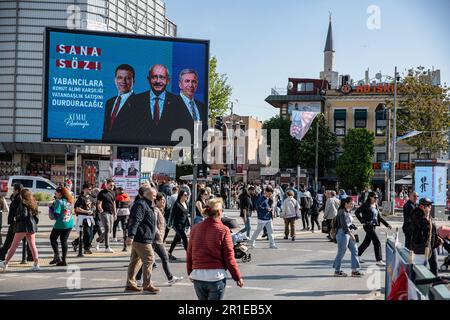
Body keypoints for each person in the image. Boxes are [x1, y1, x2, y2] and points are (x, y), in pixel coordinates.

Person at [187, 198, 244, 300]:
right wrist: (237, 276)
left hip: (198, 275)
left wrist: (190, 272)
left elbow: (190, 254)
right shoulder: (224, 230)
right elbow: (229, 257)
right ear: (219, 212)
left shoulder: (195, 228)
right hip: (216, 276)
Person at [132, 64, 180, 145]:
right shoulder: (136, 101)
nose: (158, 81)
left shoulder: (178, 102)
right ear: (148, 79)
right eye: (154, 77)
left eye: (162, 77)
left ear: (168, 80)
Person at [125, 186, 159, 293]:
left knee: (135, 261)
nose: (155, 198)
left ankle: (130, 284)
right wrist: (131, 235)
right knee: (149, 259)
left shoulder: (147, 205)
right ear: (146, 194)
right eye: (153, 195)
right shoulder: (141, 204)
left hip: (142, 237)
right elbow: (135, 220)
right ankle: (147, 284)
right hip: (141, 238)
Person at [0, 189, 40, 272]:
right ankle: (36, 264)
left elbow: (24, 215)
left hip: (22, 227)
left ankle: (5, 262)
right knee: (33, 246)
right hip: (32, 226)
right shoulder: (33, 202)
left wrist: (15, 218)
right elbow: (36, 214)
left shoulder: (23, 203)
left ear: (23, 195)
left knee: (14, 246)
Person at [150, 192, 183, 285]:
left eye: (164, 200)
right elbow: (154, 224)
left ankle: (139, 277)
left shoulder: (160, 210)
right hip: (156, 240)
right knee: (164, 258)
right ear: (156, 201)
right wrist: (158, 235)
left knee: (149, 260)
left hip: (158, 240)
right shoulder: (155, 210)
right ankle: (170, 278)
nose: (164, 202)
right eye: (162, 200)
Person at [355, 191, 392, 266]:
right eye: (375, 197)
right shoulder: (365, 205)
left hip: (373, 226)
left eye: (377, 197)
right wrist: (362, 220)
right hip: (368, 226)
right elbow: (357, 212)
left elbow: (379, 217)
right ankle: (379, 260)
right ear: (370, 197)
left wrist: (387, 224)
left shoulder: (376, 205)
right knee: (377, 242)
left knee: (366, 243)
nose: (376, 199)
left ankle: (356, 256)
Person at [102, 64, 136, 142]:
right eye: (120, 77)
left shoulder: (139, 103)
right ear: (115, 80)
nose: (123, 81)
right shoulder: (109, 102)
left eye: (127, 78)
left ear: (133, 81)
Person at [410, 198, 442, 276]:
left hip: (431, 244)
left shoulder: (427, 214)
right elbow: (424, 225)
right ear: (422, 206)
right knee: (419, 267)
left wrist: (437, 238)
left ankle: (435, 283)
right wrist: (427, 215)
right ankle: (415, 283)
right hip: (420, 245)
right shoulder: (416, 214)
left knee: (434, 265)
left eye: (430, 205)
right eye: (428, 205)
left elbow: (431, 229)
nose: (430, 207)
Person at [332, 197, 363, 277]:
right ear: (345, 204)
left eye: (353, 204)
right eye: (351, 204)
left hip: (349, 233)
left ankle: (354, 270)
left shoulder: (347, 211)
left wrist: (353, 226)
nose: (352, 205)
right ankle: (337, 271)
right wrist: (350, 234)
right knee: (341, 252)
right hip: (343, 234)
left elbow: (348, 223)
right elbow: (344, 225)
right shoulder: (341, 212)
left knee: (355, 250)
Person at [176, 69, 206, 142]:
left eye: (193, 81)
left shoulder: (202, 106)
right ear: (180, 84)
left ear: (196, 85)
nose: (190, 85)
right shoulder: (171, 104)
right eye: (187, 81)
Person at [49, 186, 75, 266]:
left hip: (61, 224)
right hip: (69, 222)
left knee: (52, 238)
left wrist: (50, 207)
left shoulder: (58, 201)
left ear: (60, 194)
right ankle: (64, 260)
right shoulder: (69, 201)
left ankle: (57, 256)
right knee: (64, 241)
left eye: (55, 193)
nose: (54, 194)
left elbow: (56, 214)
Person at [167, 190, 190, 261]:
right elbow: (172, 215)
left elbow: (186, 215)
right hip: (177, 225)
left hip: (183, 224)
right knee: (185, 239)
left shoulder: (186, 203)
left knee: (176, 239)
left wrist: (188, 224)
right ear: (181, 195)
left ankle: (169, 253)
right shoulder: (176, 204)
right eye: (185, 195)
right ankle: (189, 255)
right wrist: (169, 224)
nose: (187, 196)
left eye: (187, 195)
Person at [73, 183, 95, 255]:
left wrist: (93, 209)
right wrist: (87, 211)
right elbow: (77, 209)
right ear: (84, 189)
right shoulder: (81, 198)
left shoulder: (91, 197)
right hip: (83, 218)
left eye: (91, 189)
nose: (90, 190)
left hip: (90, 217)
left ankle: (75, 242)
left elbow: (92, 205)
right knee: (87, 234)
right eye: (89, 189)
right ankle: (86, 248)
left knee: (91, 234)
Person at [97, 179, 117, 253]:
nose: (112, 186)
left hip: (111, 212)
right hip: (104, 212)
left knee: (110, 230)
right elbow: (99, 203)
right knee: (107, 227)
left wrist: (115, 213)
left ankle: (99, 239)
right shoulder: (102, 193)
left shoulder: (113, 192)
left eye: (113, 185)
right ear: (106, 184)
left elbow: (114, 203)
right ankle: (107, 247)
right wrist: (100, 209)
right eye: (110, 185)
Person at [113, 187, 130, 251]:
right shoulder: (127, 196)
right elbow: (129, 204)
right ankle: (124, 240)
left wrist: (115, 214)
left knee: (115, 224)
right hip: (127, 213)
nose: (116, 191)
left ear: (119, 191)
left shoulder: (118, 197)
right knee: (124, 227)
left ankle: (114, 237)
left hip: (120, 213)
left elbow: (117, 207)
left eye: (117, 190)